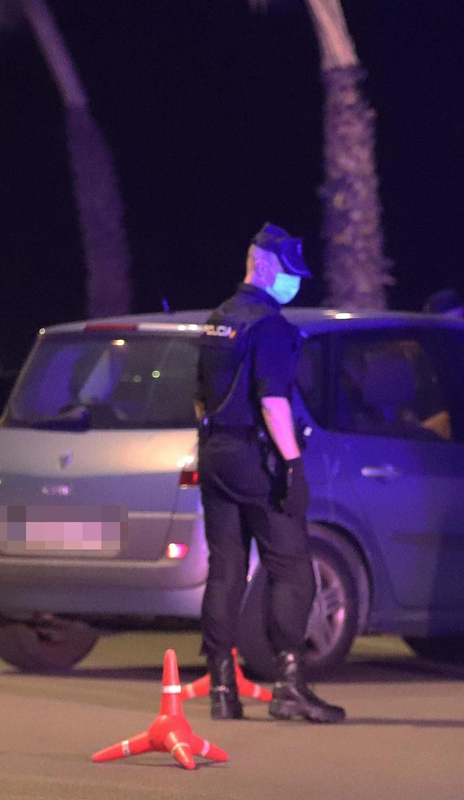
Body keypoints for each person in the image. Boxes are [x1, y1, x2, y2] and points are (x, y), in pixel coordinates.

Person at [196, 224, 344, 723]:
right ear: (262, 265)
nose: (294, 283)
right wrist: (292, 465)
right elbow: (273, 399)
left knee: (226, 567)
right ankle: (289, 685)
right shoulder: (270, 326)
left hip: (215, 453)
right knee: (290, 566)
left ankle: (221, 688)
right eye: (288, 272)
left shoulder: (219, 321)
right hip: (260, 458)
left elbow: (201, 397)